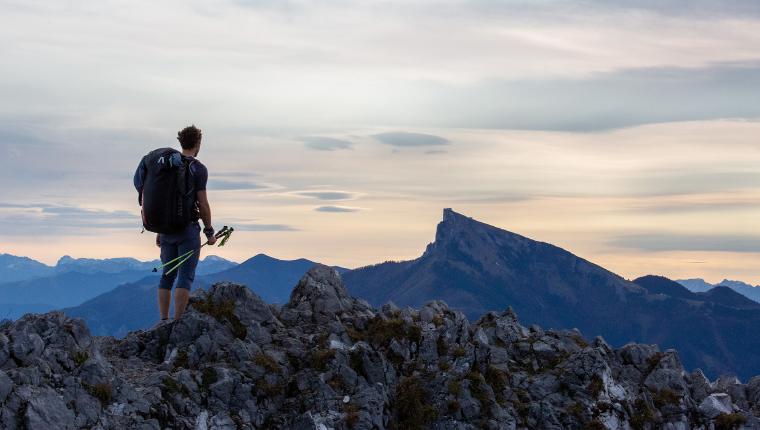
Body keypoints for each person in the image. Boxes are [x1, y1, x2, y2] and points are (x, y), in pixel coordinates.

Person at [133, 125, 216, 323]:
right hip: (187, 230)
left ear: (180, 142)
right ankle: (177, 323)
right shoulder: (197, 169)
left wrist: (160, 230)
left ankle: (163, 320)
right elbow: (202, 203)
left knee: (167, 275)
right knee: (185, 277)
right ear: (198, 143)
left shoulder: (167, 167)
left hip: (165, 231)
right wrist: (209, 232)